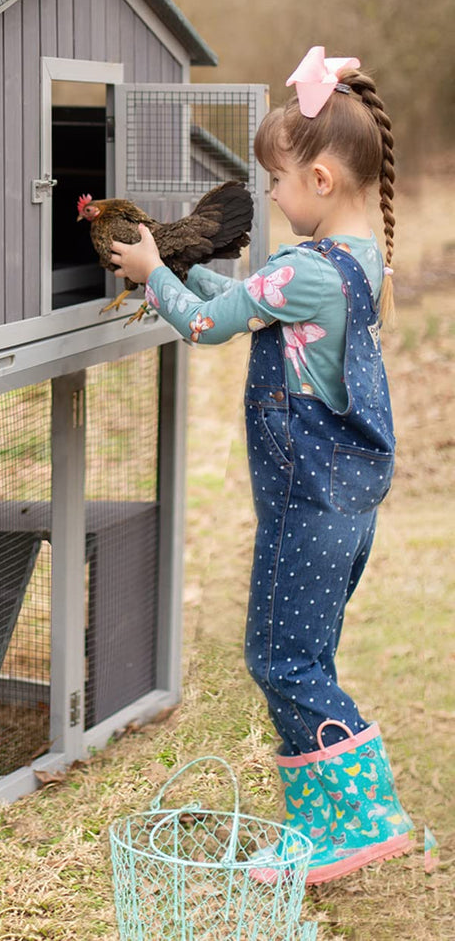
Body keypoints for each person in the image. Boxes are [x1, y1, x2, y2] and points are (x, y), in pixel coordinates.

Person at [110, 47, 413, 884]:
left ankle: (358, 821)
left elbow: (211, 326)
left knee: (281, 661)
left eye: (275, 180)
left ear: (319, 179)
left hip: (306, 501)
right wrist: (185, 271)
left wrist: (149, 273)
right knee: (299, 658)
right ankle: (328, 825)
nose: (269, 195)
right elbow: (247, 299)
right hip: (343, 504)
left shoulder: (305, 270)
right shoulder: (358, 262)